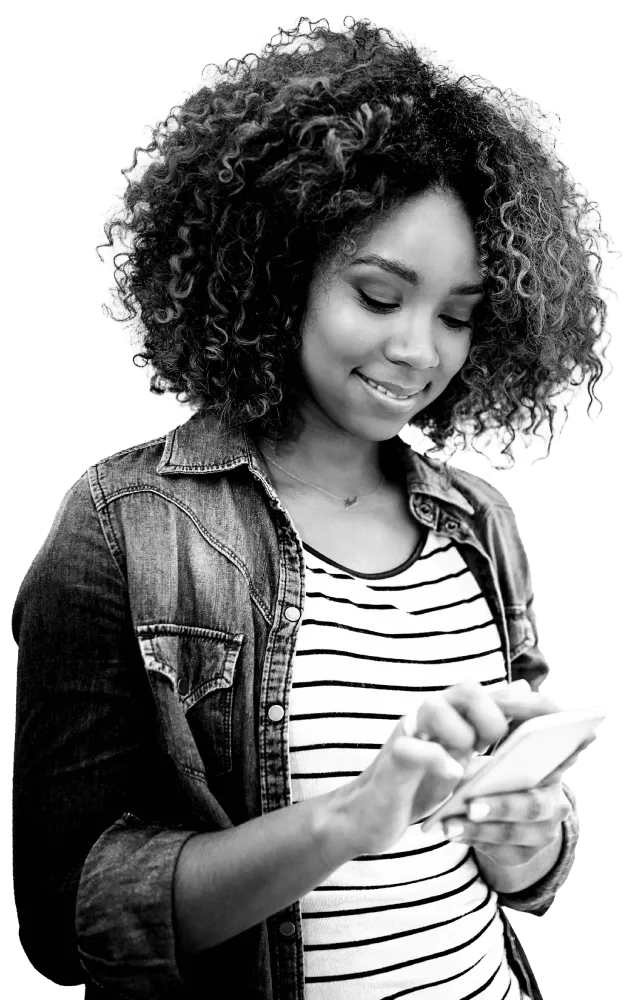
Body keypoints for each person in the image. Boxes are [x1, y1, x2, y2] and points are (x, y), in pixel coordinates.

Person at [12, 16, 609, 1000]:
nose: (419, 349)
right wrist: (344, 821)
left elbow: (522, 878)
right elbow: (70, 915)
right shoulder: (127, 521)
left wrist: (531, 839)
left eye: (456, 315)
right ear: (278, 270)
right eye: (378, 296)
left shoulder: (475, 521)